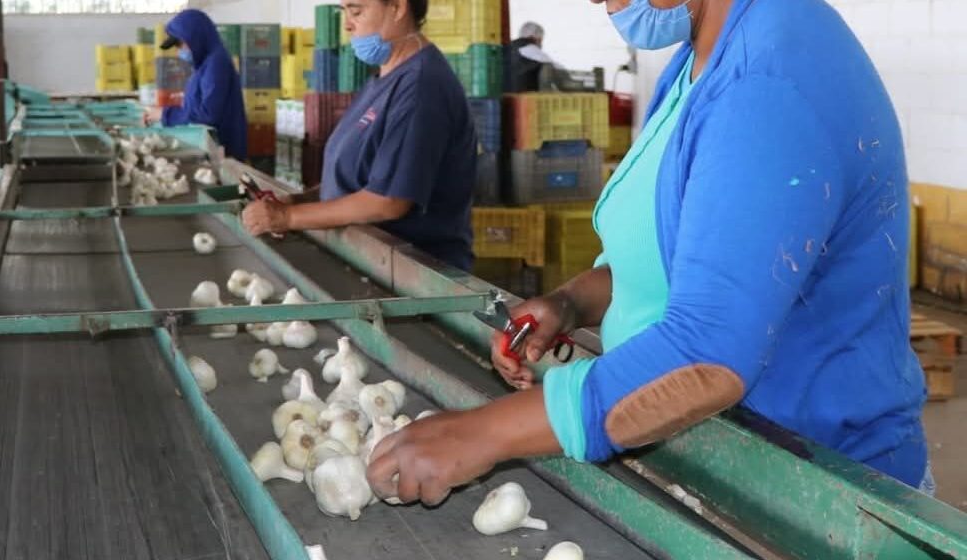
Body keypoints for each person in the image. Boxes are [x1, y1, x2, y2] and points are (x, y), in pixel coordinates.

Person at [367, 0, 933, 506]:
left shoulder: (769, 79)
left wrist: (482, 434)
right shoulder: (704, 53)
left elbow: (708, 355)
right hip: (727, 453)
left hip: (820, 492)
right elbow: (680, 257)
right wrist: (569, 303)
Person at [241, 0, 476, 271]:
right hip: (368, 260)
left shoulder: (421, 87)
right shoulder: (385, 78)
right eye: (345, 13)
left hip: (412, 273)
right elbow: (358, 178)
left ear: (398, 8)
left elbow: (388, 201)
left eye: (356, 11)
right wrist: (299, 201)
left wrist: (287, 217)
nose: (348, 24)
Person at [144, 9, 247, 161]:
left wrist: (165, 114)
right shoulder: (204, 64)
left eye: (180, 44)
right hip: (211, 148)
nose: (179, 51)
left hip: (224, 153)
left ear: (196, 37)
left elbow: (208, 115)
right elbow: (197, 106)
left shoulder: (216, 64)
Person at [505, 22, 556, 93]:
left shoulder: (509, 48)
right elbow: (556, 68)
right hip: (527, 97)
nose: (541, 44)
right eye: (541, 40)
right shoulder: (529, 48)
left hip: (507, 96)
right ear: (535, 38)